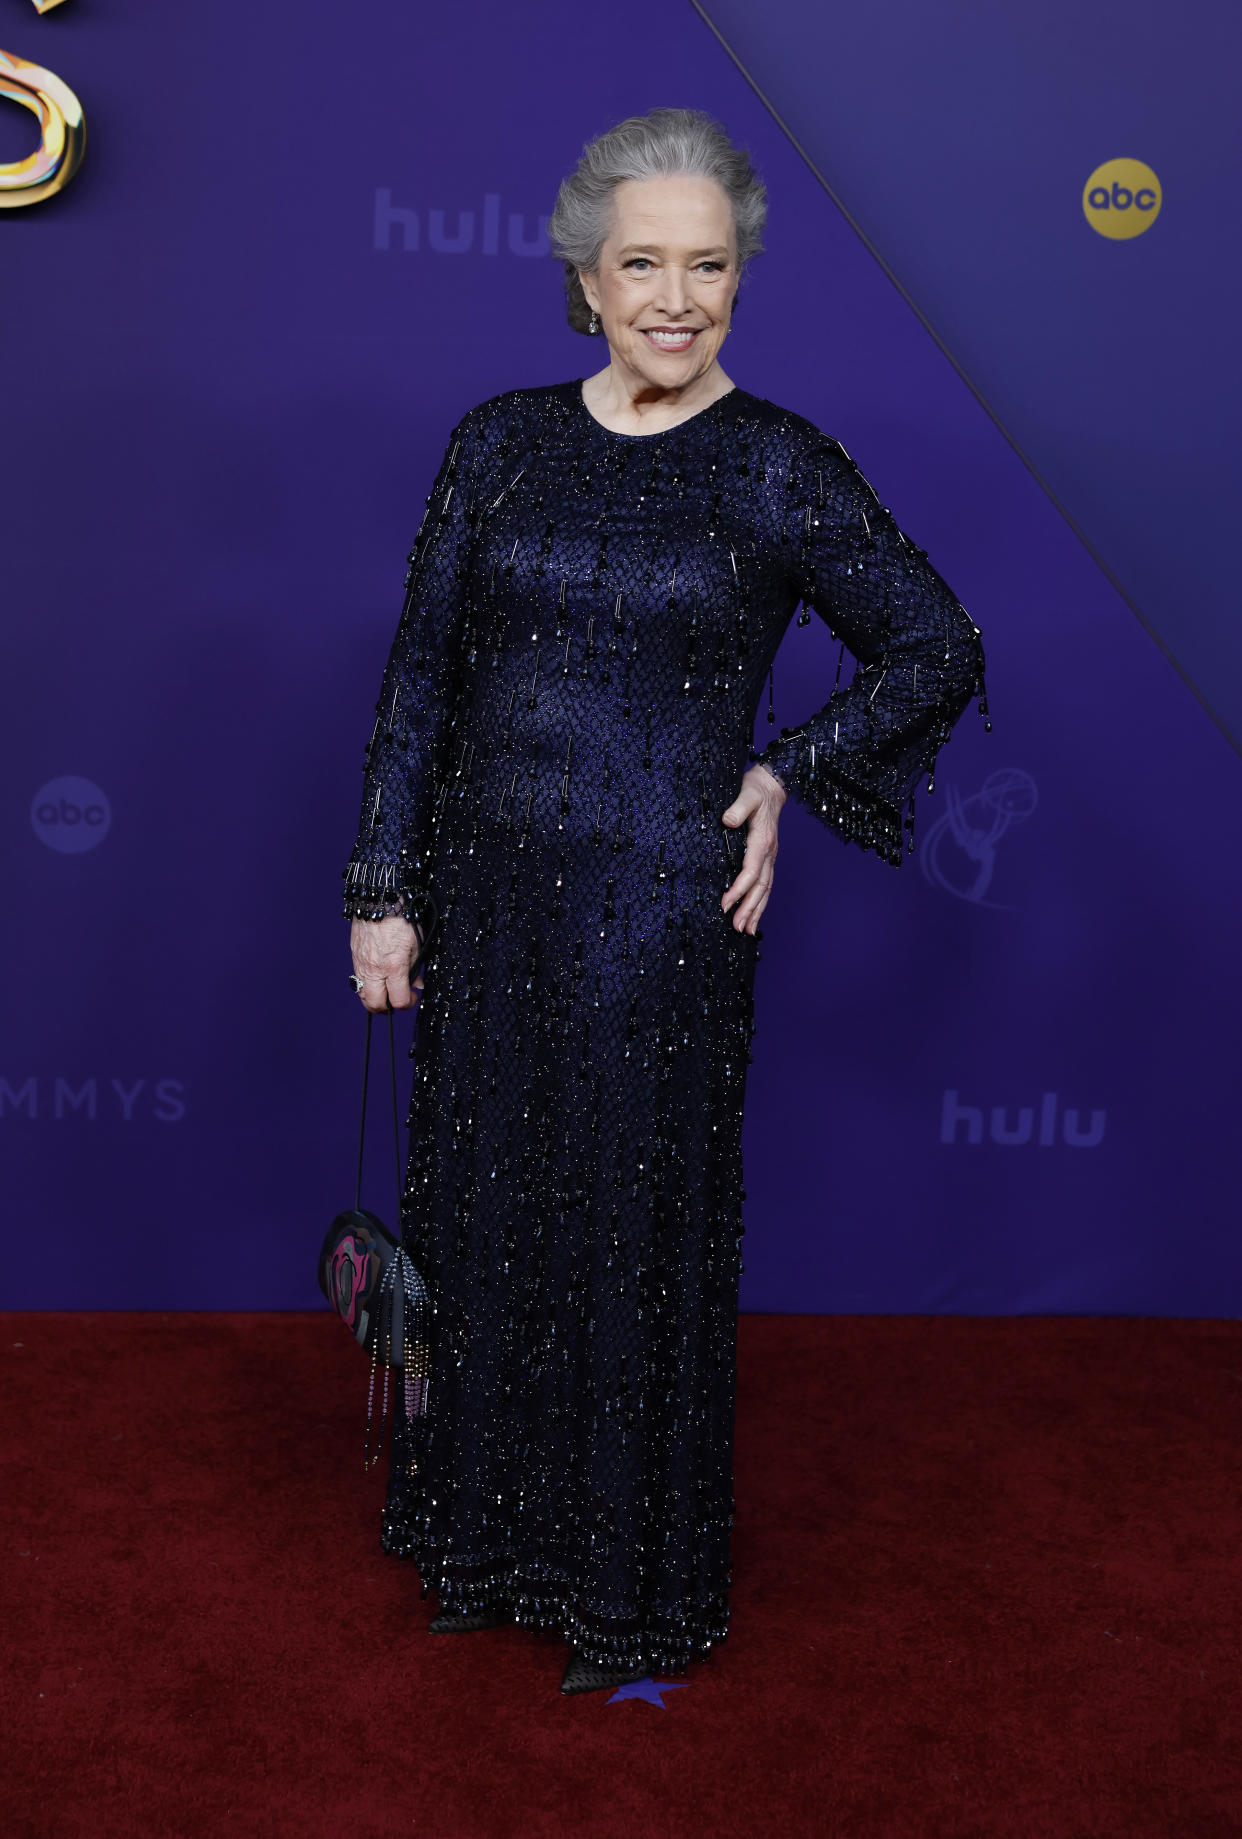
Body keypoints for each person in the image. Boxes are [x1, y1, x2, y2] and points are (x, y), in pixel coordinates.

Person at [343, 106, 987, 1696]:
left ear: (739, 276)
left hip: (659, 925)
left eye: (709, 265)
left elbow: (933, 644)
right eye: (643, 263)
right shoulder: (495, 441)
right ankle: (484, 1543)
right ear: (584, 274)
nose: (676, 297)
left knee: (632, 1242)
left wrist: (787, 770)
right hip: (486, 916)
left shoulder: (776, 464)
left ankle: (622, 1584)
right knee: (484, 1227)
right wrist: (382, 888)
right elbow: (421, 680)